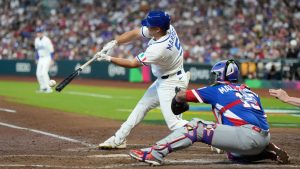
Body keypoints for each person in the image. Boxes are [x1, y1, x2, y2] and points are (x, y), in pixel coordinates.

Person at [129, 59, 290, 165]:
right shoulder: (249, 91)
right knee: (232, 154)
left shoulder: (217, 89)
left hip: (246, 138)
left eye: (215, 74)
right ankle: (268, 153)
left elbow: (182, 95)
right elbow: (257, 119)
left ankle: (155, 154)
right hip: (262, 138)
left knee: (196, 126)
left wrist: (178, 98)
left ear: (220, 75)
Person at [96, 10, 189, 149]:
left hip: (171, 83)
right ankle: (119, 138)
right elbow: (135, 33)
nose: (147, 27)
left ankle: (215, 134)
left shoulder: (159, 49)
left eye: (150, 26)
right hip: (167, 79)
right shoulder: (167, 28)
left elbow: (133, 64)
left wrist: (108, 58)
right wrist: (115, 42)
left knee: (174, 124)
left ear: (157, 29)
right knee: (142, 106)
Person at [34, 26, 55, 93]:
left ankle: (49, 88)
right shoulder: (36, 40)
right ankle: (43, 88)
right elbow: (37, 50)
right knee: (38, 73)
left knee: (44, 72)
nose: (39, 33)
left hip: (47, 57)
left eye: (40, 32)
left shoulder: (47, 40)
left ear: (42, 33)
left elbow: (51, 50)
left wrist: (52, 59)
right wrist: (37, 58)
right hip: (40, 58)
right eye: (38, 32)